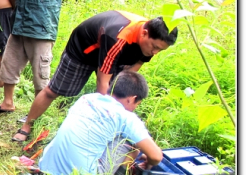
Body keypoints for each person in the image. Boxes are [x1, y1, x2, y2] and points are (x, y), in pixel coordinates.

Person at [12, 11, 178, 142]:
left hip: (116, 54)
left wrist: (119, 94)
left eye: (160, 50)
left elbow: (132, 70)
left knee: (119, 94)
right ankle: (27, 126)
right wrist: (103, 109)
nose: (155, 52)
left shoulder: (150, 43)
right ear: (144, 33)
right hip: (83, 51)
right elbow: (102, 82)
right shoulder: (117, 36)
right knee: (54, 90)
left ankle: (103, 132)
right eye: (155, 47)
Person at [39, 70, 163, 175]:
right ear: (132, 99)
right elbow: (156, 156)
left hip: (47, 168)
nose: (134, 108)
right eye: (138, 104)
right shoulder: (126, 117)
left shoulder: (86, 99)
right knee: (130, 142)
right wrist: (149, 162)